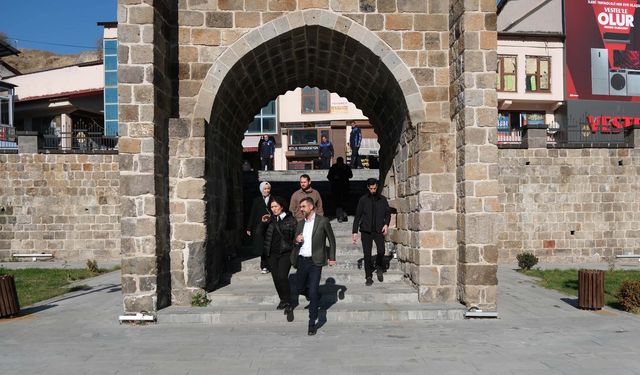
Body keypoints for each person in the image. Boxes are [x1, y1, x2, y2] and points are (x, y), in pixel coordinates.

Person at [291, 197, 336, 336]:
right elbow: (295, 240)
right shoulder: (300, 223)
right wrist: (297, 240)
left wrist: (332, 257)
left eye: (303, 206)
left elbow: (332, 240)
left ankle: (312, 322)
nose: (301, 209)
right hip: (302, 260)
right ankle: (315, 294)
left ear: (311, 207)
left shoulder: (323, 221)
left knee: (312, 291)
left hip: (316, 261)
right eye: (300, 207)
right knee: (299, 288)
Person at [257, 196, 297, 322]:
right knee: (275, 278)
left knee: (282, 276)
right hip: (271, 254)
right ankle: (283, 300)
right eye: (272, 207)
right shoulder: (270, 220)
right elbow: (258, 233)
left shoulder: (290, 219)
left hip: (285, 253)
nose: (274, 209)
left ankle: (289, 302)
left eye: (276, 206)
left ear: (282, 206)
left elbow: (294, 235)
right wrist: (263, 223)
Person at [352, 178, 391, 286]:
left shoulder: (382, 199)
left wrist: (386, 224)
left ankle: (378, 265)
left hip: (378, 230)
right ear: (368, 187)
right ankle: (368, 276)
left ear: (377, 187)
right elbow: (358, 216)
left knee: (382, 251)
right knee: (367, 254)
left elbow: (388, 213)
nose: (373, 190)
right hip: (366, 231)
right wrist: (354, 231)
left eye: (374, 188)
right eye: (371, 188)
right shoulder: (363, 200)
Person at [246, 181, 274, 274]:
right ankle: (264, 266)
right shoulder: (257, 200)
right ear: (261, 189)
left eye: (268, 188)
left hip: (271, 226)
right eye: (265, 189)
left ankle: (271, 265)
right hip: (260, 226)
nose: (266, 190)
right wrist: (249, 227)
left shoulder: (274, 199)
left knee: (270, 246)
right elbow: (253, 214)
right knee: (262, 247)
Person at [327, 157, 352, 222]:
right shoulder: (334, 168)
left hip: (344, 187)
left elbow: (350, 175)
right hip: (336, 188)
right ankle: (340, 216)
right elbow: (329, 176)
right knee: (338, 203)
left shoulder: (346, 167)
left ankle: (344, 215)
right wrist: (334, 177)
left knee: (344, 202)